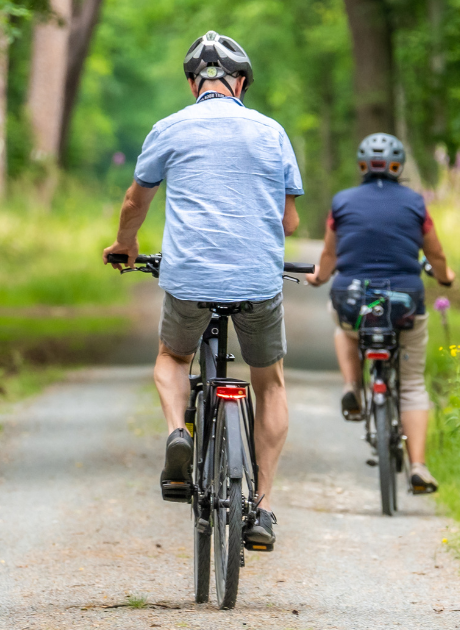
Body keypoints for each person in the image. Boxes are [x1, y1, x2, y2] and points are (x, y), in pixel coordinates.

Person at [102, 31, 303, 548]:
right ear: (240, 83)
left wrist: (126, 245)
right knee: (271, 382)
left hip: (189, 277)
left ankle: (178, 433)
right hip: (258, 279)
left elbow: (134, 202)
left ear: (194, 83)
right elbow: (290, 219)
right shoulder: (271, 131)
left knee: (172, 357)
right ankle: (261, 508)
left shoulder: (169, 128)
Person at [305, 133, 455, 494]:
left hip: (353, 301)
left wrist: (320, 277)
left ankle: (352, 385)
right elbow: (435, 255)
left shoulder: (342, 202)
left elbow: (329, 256)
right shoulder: (416, 203)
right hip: (404, 302)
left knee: (342, 325)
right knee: (414, 384)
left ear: (361, 166)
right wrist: (446, 277)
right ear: (397, 166)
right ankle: (418, 466)